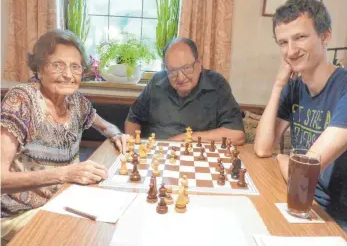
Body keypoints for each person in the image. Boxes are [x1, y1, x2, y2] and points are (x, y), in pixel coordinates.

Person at [0, 29, 129, 242]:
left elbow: (105, 127)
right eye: (57, 65)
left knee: (119, 222)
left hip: (63, 200)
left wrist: (117, 134)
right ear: (39, 69)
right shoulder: (21, 101)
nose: (68, 74)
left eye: (75, 67)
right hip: (16, 213)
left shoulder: (76, 102)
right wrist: (64, 174)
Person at [254, 0, 347, 231]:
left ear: (325, 37)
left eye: (300, 38)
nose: (291, 51)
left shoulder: (344, 87)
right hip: (303, 203)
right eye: (283, 42)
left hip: (336, 218)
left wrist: (284, 159)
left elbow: (303, 174)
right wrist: (278, 84)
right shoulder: (295, 87)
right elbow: (263, 148)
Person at [125, 37, 245, 144]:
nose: (180, 77)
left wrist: (187, 137)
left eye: (186, 68)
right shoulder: (157, 81)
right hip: (157, 158)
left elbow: (237, 135)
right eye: (172, 70)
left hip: (198, 159)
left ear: (199, 63)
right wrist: (135, 149)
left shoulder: (217, 83)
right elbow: (133, 119)